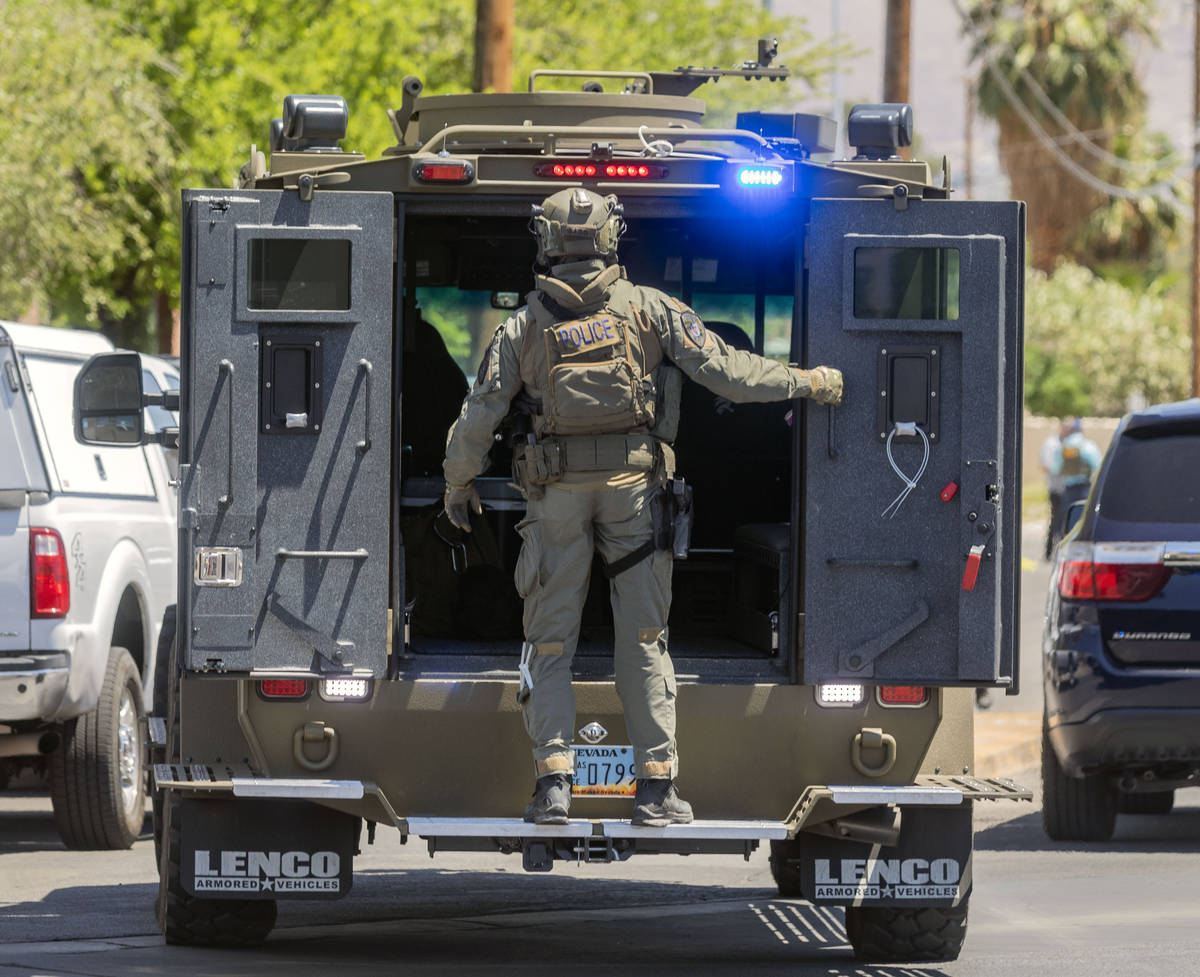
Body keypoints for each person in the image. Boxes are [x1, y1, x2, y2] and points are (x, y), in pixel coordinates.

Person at [440, 188, 843, 827]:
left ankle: (552, 785)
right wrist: (808, 381)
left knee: (550, 645)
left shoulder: (522, 326)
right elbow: (728, 371)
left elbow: (479, 416)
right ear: (612, 238)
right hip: (635, 493)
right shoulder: (650, 311)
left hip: (555, 498)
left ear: (545, 243)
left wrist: (457, 486)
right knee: (645, 638)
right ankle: (655, 791)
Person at [1050, 418, 1102, 537]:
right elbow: (1097, 466)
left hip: (1068, 490)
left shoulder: (1063, 446)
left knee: (1066, 521)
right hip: (1085, 489)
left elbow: (1056, 468)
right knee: (1084, 520)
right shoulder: (1088, 445)